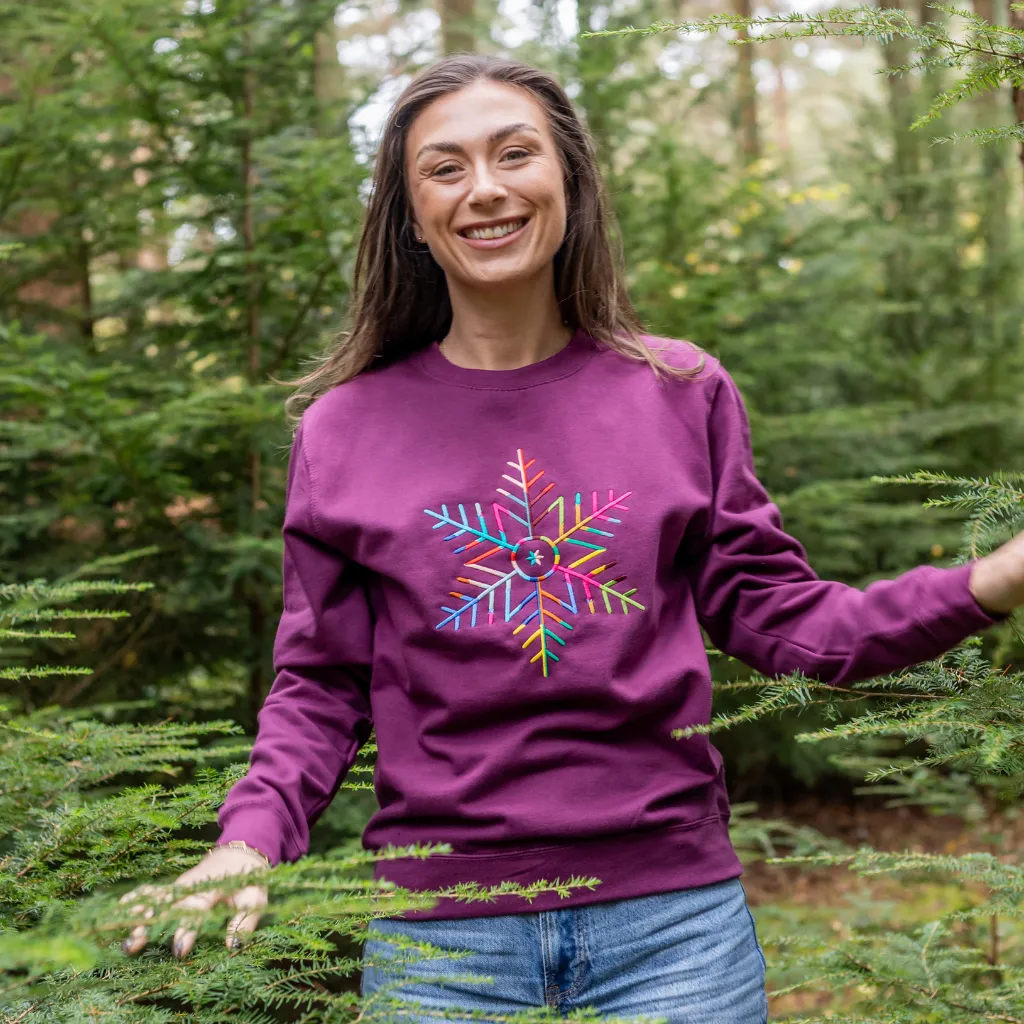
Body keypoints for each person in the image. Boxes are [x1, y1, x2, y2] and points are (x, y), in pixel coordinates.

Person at [120, 54, 1024, 1022]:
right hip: (442, 938)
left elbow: (794, 626)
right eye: (445, 167)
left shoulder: (679, 392)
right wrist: (247, 839)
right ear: (410, 212)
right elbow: (321, 681)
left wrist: (1000, 575)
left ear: (569, 181)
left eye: (515, 154)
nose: (487, 189)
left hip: (673, 927)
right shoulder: (343, 428)